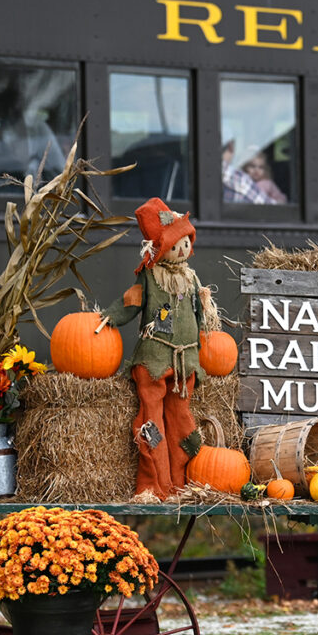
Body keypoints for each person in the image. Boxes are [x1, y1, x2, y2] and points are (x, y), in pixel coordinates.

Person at [99, 197, 211, 500]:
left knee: (183, 424)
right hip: (154, 359)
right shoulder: (149, 276)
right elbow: (131, 302)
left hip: (185, 361)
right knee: (151, 423)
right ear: (161, 249)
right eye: (176, 245)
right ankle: (154, 485)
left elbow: (199, 314)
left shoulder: (191, 278)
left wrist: (204, 340)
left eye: (186, 242)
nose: (183, 249)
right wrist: (109, 318)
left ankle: (182, 484)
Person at [222, 138, 274, 204]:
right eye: (252, 166)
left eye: (261, 167)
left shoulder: (268, 184)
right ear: (245, 167)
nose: (256, 170)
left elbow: (281, 200)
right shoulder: (241, 181)